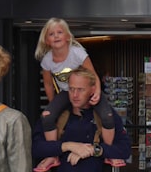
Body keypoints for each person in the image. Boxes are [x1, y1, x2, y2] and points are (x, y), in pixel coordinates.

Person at [34, 18, 115, 146]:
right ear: (46, 40)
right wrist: (53, 103)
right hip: (66, 91)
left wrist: (97, 92)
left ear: (67, 36)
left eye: (59, 32)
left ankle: (109, 151)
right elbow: (48, 84)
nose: (56, 36)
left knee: (108, 116)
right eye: (51, 34)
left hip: (87, 89)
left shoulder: (78, 53)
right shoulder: (47, 60)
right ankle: (53, 153)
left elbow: (93, 74)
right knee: (47, 117)